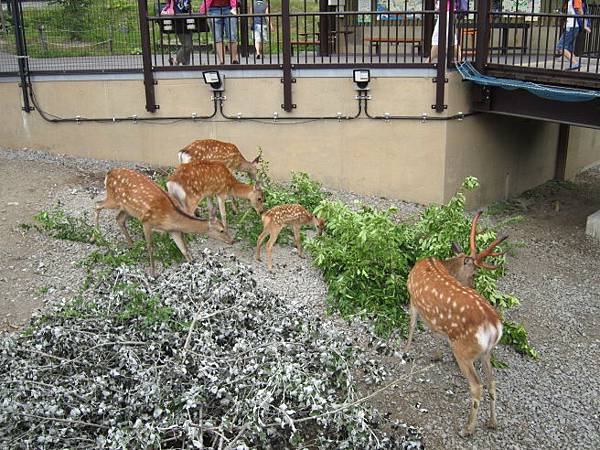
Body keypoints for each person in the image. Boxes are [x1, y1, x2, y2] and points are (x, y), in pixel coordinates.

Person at [200, 0, 239, 64]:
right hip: (214, 9)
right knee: (217, 37)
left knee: (232, 36)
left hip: (229, 8)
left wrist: (234, 7)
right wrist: (203, 10)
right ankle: (222, 61)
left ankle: (234, 59)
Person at [556, 0, 591, 70]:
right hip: (571, 25)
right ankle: (575, 64)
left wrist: (585, 25)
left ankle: (575, 63)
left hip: (573, 26)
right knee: (568, 48)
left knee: (560, 47)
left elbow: (580, 11)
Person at [161, 0, 194, 66]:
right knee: (187, 45)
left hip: (188, 21)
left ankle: (187, 64)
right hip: (178, 22)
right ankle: (176, 60)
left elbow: (187, 6)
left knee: (188, 44)